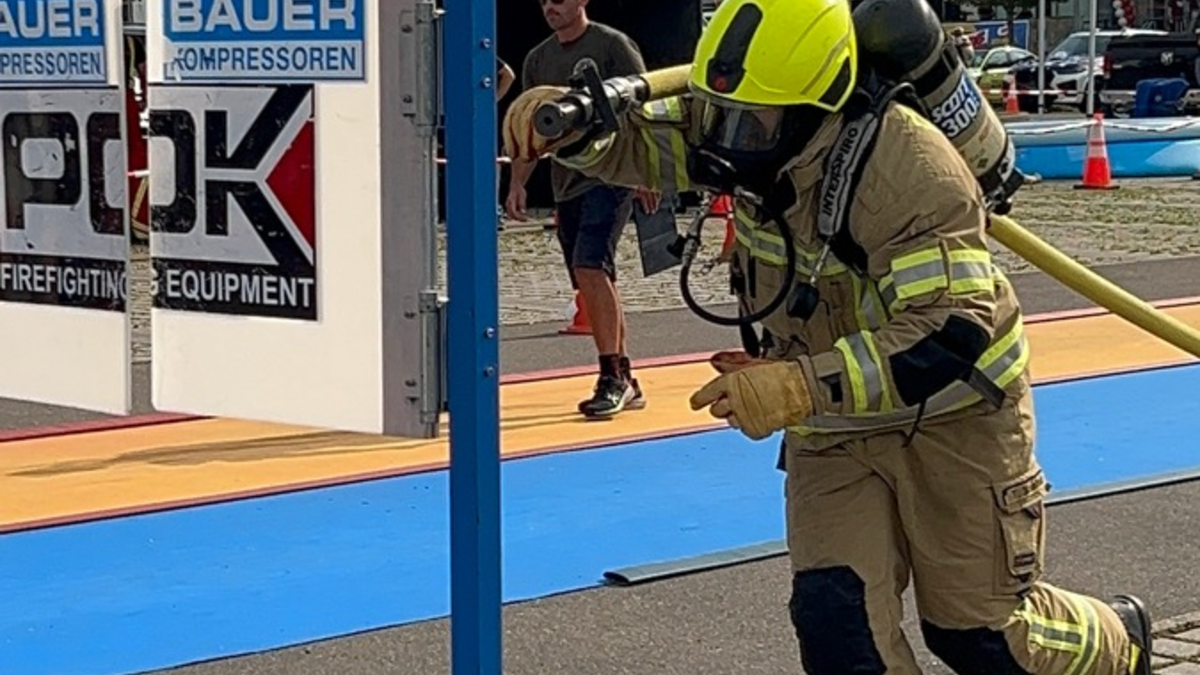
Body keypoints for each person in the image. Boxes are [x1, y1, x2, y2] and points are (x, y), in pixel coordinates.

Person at [502, 0, 1155, 673]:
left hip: (953, 414)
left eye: (749, 125)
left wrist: (797, 383)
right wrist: (573, 130)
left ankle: (1120, 640)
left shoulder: (912, 170)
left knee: (979, 634)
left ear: (821, 109)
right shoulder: (752, 116)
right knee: (839, 629)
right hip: (833, 423)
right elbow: (652, 142)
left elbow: (951, 331)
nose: (726, 143)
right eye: (722, 117)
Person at [506, 0, 651, 419]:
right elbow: (528, 125)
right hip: (566, 184)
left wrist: (646, 170)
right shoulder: (539, 58)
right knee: (592, 276)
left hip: (613, 177)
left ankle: (611, 377)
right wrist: (518, 182)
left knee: (591, 266)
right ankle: (625, 374)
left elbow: (643, 104)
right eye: (544, 1)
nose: (550, 6)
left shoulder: (612, 46)